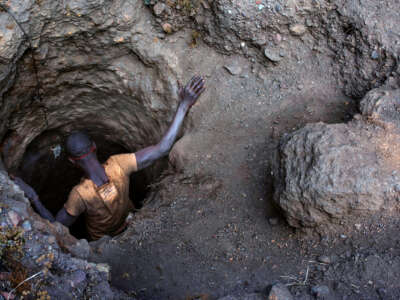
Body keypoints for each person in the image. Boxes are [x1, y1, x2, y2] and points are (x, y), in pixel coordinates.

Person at [8, 75, 205, 240]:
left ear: (71, 161)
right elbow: (162, 148)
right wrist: (184, 105)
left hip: (102, 242)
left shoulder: (79, 195)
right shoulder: (119, 164)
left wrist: (33, 196)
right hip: (132, 223)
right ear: (94, 147)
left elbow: (56, 227)